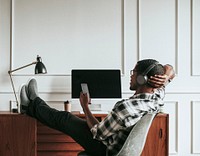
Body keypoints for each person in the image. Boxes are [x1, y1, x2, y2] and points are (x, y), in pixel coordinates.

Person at [19, 59, 175, 156]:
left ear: (142, 78)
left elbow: (98, 133)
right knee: (66, 118)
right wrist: (166, 76)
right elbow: (170, 70)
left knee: (65, 118)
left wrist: (85, 107)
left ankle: (31, 104)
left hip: (106, 150)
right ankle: (32, 105)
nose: (131, 75)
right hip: (120, 147)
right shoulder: (156, 97)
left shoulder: (124, 108)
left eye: (134, 72)